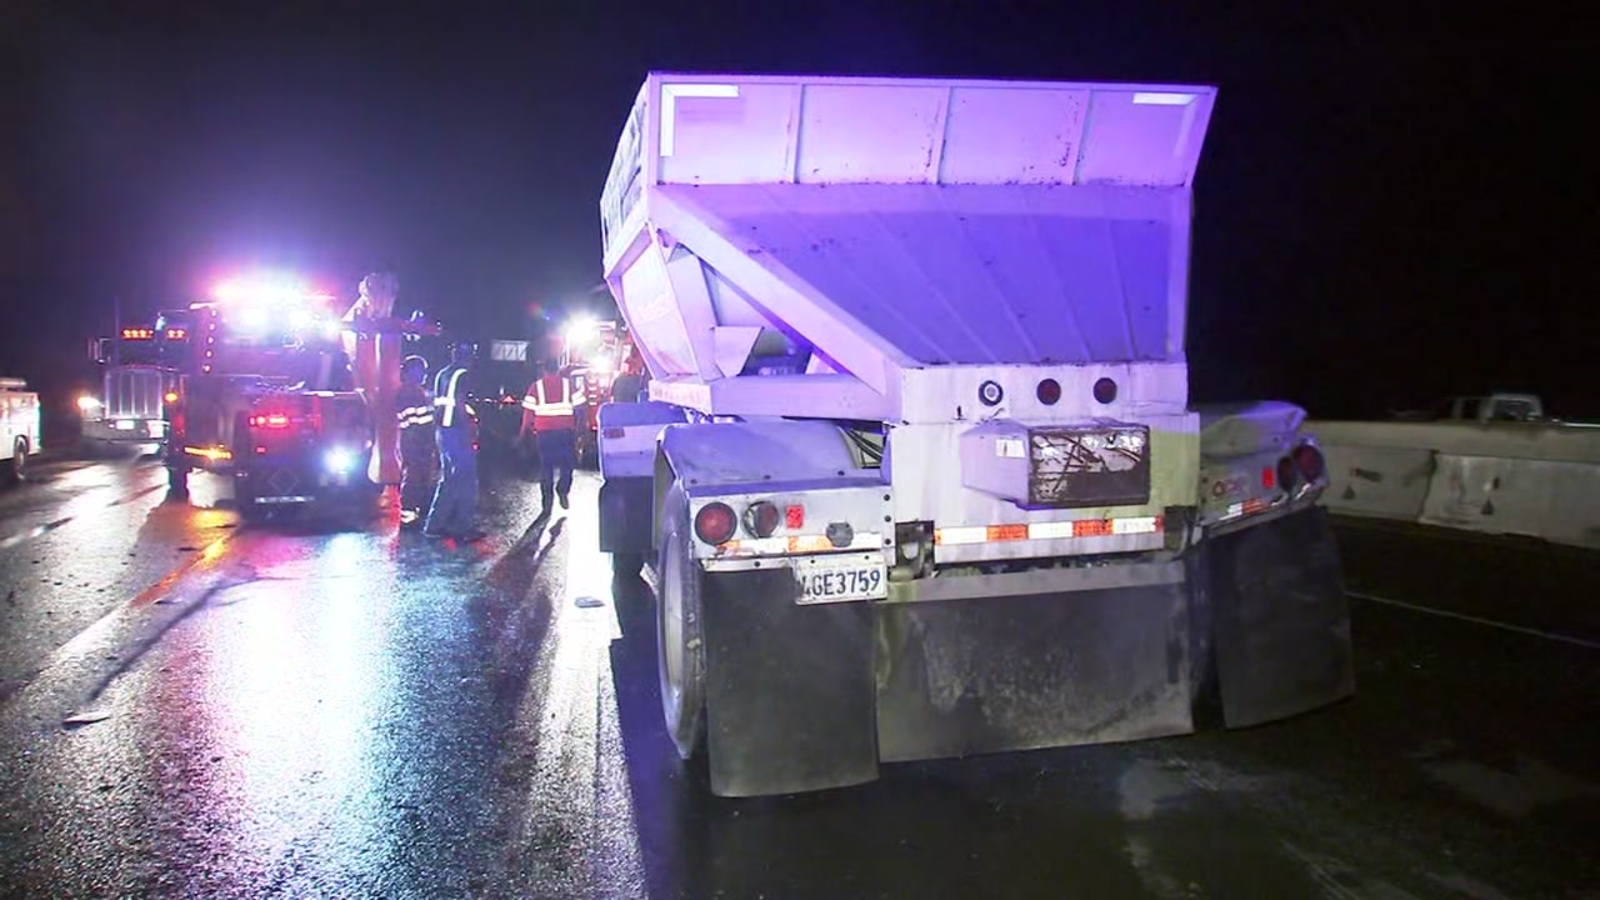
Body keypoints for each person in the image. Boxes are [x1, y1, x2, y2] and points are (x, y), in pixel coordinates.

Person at [424, 342, 484, 540]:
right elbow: (459, 402)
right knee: (467, 480)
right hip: (457, 431)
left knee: (448, 479)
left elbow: (438, 403)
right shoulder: (462, 375)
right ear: (468, 357)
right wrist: (468, 431)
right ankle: (463, 528)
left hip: (442, 431)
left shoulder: (441, 374)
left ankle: (434, 524)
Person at [520, 357, 578, 513]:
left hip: (544, 434)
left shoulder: (536, 387)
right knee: (567, 465)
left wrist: (523, 432)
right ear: (558, 368)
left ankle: (547, 503)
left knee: (547, 467)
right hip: (565, 433)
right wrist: (581, 429)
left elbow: (528, 414)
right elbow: (581, 408)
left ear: (544, 369)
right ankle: (563, 490)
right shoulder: (568, 385)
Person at [394, 355, 437, 527]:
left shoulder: (416, 391)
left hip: (419, 441)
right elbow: (416, 421)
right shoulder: (408, 393)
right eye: (421, 370)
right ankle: (409, 513)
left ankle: (418, 510)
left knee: (421, 476)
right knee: (413, 475)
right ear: (410, 371)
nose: (424, 374)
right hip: (415, 441)